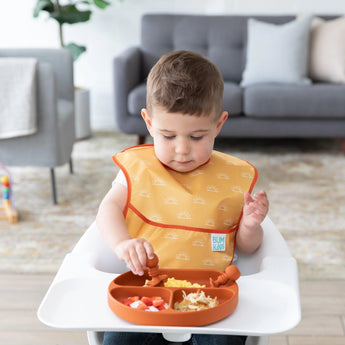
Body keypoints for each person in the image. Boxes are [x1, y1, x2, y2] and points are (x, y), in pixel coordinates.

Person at [97, 50, 269, 345]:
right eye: (168, 136)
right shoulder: (139, 170)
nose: (181, 149)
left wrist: (250, 227)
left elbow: (247, 247)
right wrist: (123, 242)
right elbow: (107, 209)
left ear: (218, 124)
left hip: (212, 295)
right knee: (118, 340)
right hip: (146, 290)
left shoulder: (232, 178)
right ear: (149, 123)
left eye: (196, 137)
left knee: (224, 340)